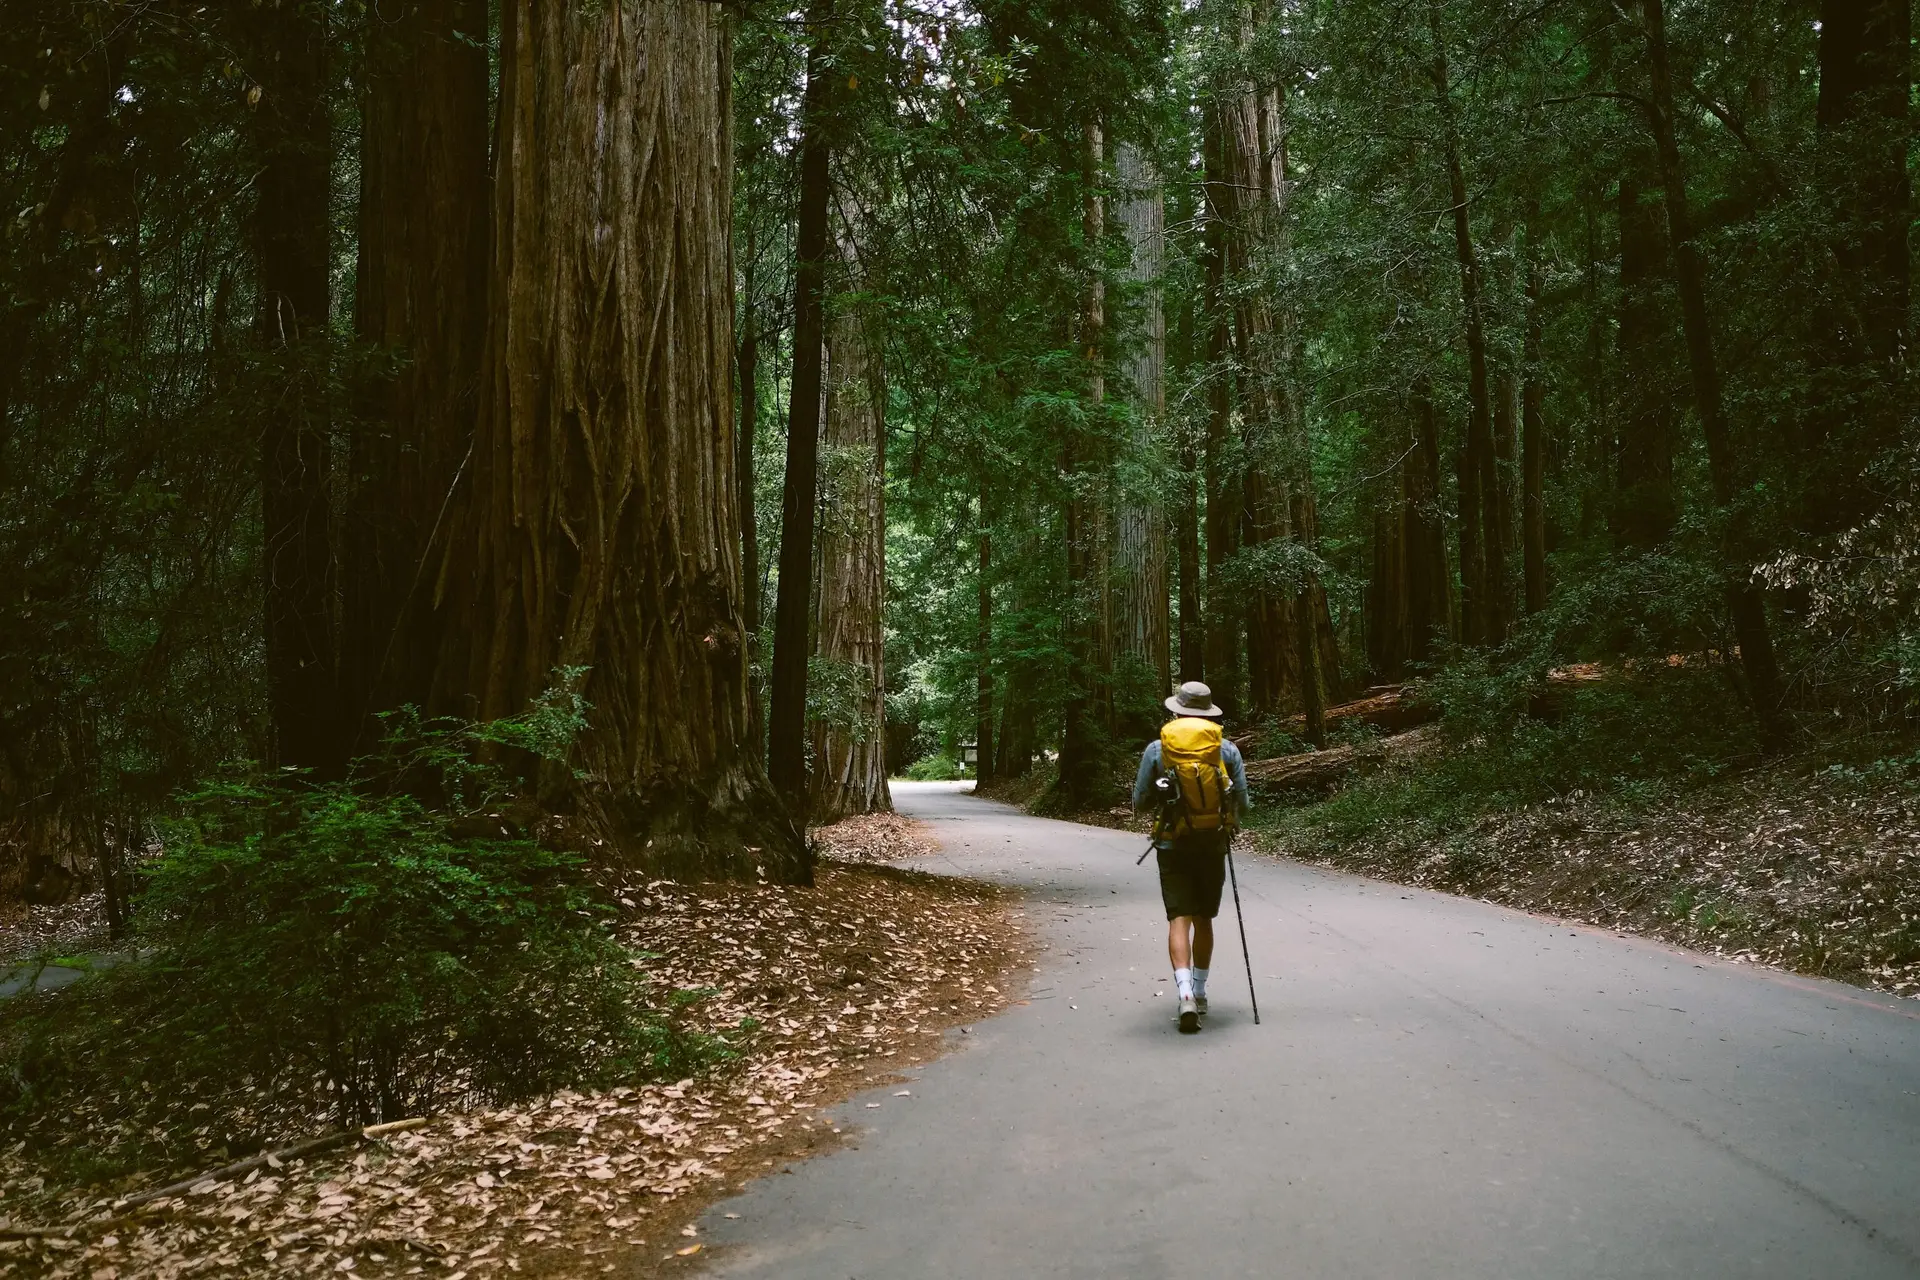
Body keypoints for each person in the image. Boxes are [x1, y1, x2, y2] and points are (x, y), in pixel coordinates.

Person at [1133, 681, 1249, 1034]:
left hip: (1172, 844)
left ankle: (1183, 993)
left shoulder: (1158, 748)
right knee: (1204, 918)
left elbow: (1140, 802)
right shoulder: (1226, 749)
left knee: (1179, 918)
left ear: (1177, 710)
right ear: (1209, 712)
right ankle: (1200, 991)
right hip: (1212, 843)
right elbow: (1242, 803)